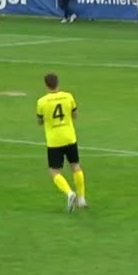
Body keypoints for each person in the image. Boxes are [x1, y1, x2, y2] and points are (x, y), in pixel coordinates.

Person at [36, 72, 86, 212]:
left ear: (46, 85)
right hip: (70, 137)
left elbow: (40, 121)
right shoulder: (68, 96)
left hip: (54, 140)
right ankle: (81, 199)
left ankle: (70, 193)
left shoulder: (41, 101)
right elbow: (75, 115)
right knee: (75, 166)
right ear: (58, 83)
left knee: (54, 171)